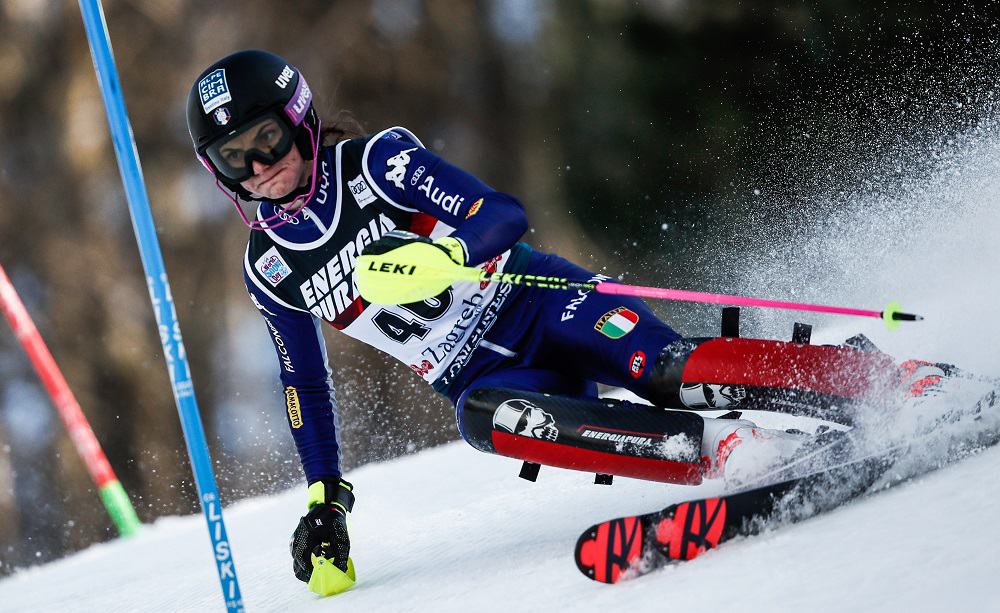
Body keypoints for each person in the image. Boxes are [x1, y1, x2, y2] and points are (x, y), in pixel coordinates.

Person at [186, 50, 935, 595]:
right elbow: (302, 385)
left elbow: (501, 214)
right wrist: (326, 502)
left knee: (672, 371)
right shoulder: (271, 266)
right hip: (488, 371)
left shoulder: (377, 165)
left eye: (267, 142)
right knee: (485, 419)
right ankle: (736, 449)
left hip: (543, 301)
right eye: (233, 158)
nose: (258, 169)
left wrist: (446, 254)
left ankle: (887, 379)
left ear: (301, 122)